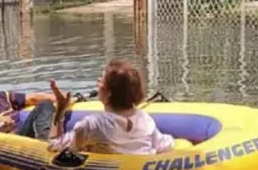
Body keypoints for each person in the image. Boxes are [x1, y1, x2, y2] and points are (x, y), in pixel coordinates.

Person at [47, 60, 175, 155]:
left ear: (108, 93)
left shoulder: (93, 124)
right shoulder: (145, 120)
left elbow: (54, 145)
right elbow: (166, 145)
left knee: (43, 107)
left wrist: (60, 110)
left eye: (101, 80)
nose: (97, 81)